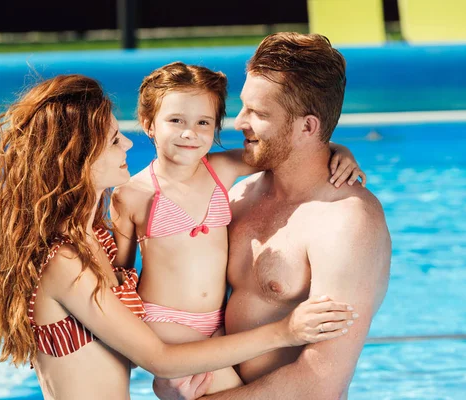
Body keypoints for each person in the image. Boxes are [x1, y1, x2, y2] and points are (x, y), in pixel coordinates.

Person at [0, 73, 359, 399]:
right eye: (115, 140)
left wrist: (335, 150)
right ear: (78, 156)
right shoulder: (66, 260)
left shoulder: (95, 238)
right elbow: (157, 356)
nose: (128, 144)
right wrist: (286, 332)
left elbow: (275, 152)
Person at [153, 32, 392, 400]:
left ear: (308, 127)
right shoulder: (238, 195)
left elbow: (319, 385)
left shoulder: (347, 223)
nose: (239, 123)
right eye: (244, 107)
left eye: (259, 114)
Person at [111, 61, 367, 394]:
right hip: (166, 324)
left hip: (216, 324)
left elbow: (287, 149)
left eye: (203, 122)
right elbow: (121, 271)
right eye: (175, 121)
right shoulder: (132, 194)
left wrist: (338, 150)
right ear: (148, 124)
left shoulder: (221, 170)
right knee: (232, 390)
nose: (190, 133)